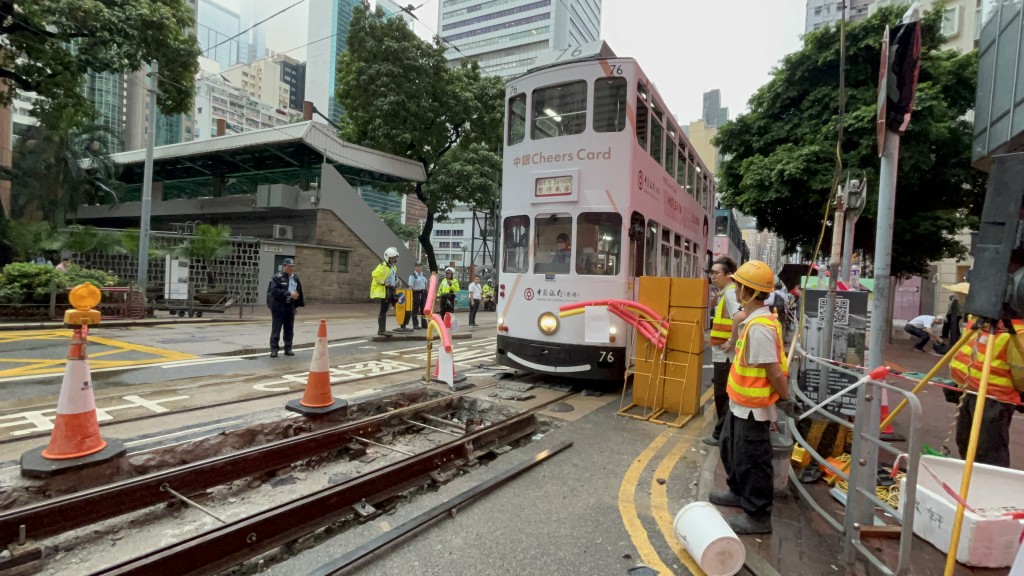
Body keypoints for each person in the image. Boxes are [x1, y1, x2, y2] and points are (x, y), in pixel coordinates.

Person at [710, 259, 788, 535]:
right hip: (739, 404)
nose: (736, 290)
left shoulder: (760, 328)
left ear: (751, 293)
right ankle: (738, 492)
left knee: (754, 461)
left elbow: (775, 372)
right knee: (731, 449)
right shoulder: (753, 322)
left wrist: (785, 396)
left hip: (754, 409)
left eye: (740, 286)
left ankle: (758, 515)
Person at [703, 256, 744, 447]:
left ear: (728, 275)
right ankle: (724, 433)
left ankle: (721, 434)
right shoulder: (726, 292)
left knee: (722, 394)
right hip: (722, 351)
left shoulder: (729, 293)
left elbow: (739, 316)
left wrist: (732, 341)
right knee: (722, 393)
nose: (712, 276)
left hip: (726, 353)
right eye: (710, 273)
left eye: (716, 273)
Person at [266, 258, 304, 357]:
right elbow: (274, 291)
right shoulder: (277, 277)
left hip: (290, 306)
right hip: (278, 306)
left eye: (293, 266)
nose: (292, 268)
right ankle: (274, 349)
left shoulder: (295, 277)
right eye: (290, 266)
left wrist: (296, 305)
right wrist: (288, 293)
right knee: (276, 328)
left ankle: (288, 348)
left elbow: (298, 291)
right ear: (284, 266)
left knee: (289, 329)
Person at [371, 248, 400, 336]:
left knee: (387, 309)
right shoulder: (382, 265)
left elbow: (394, 277)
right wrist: (384, 283)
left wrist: (397, 282)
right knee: (383, 310)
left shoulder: (394, 267)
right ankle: (381, 330)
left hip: (391, 290)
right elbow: (375, 274)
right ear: (387, 258)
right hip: (385, 291)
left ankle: (383, 329)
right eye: (392, 258)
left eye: (394, 258)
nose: (394, 259)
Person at [403, 263, 427, 330]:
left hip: (423, 293)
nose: (419, 267)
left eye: (420, 266)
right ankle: (415, 324)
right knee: (415, 309)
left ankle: (424, 324)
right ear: (415, 267)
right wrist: (411, 296)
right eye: (417, 266)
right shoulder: (412, 276)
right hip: (416, 293)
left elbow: (425, 284)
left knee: (424, 309)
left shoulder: (423, 275)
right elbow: (410, 286)